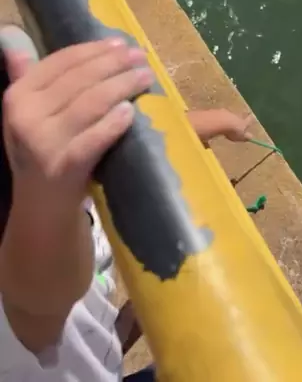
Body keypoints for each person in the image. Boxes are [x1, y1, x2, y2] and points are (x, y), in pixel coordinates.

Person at [0, 32, 253, 381]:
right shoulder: (33, 298)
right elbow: (36, 309)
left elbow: (144, 145)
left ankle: (121, 335)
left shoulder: (59, 188)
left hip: (92, 345)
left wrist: (223, 120)